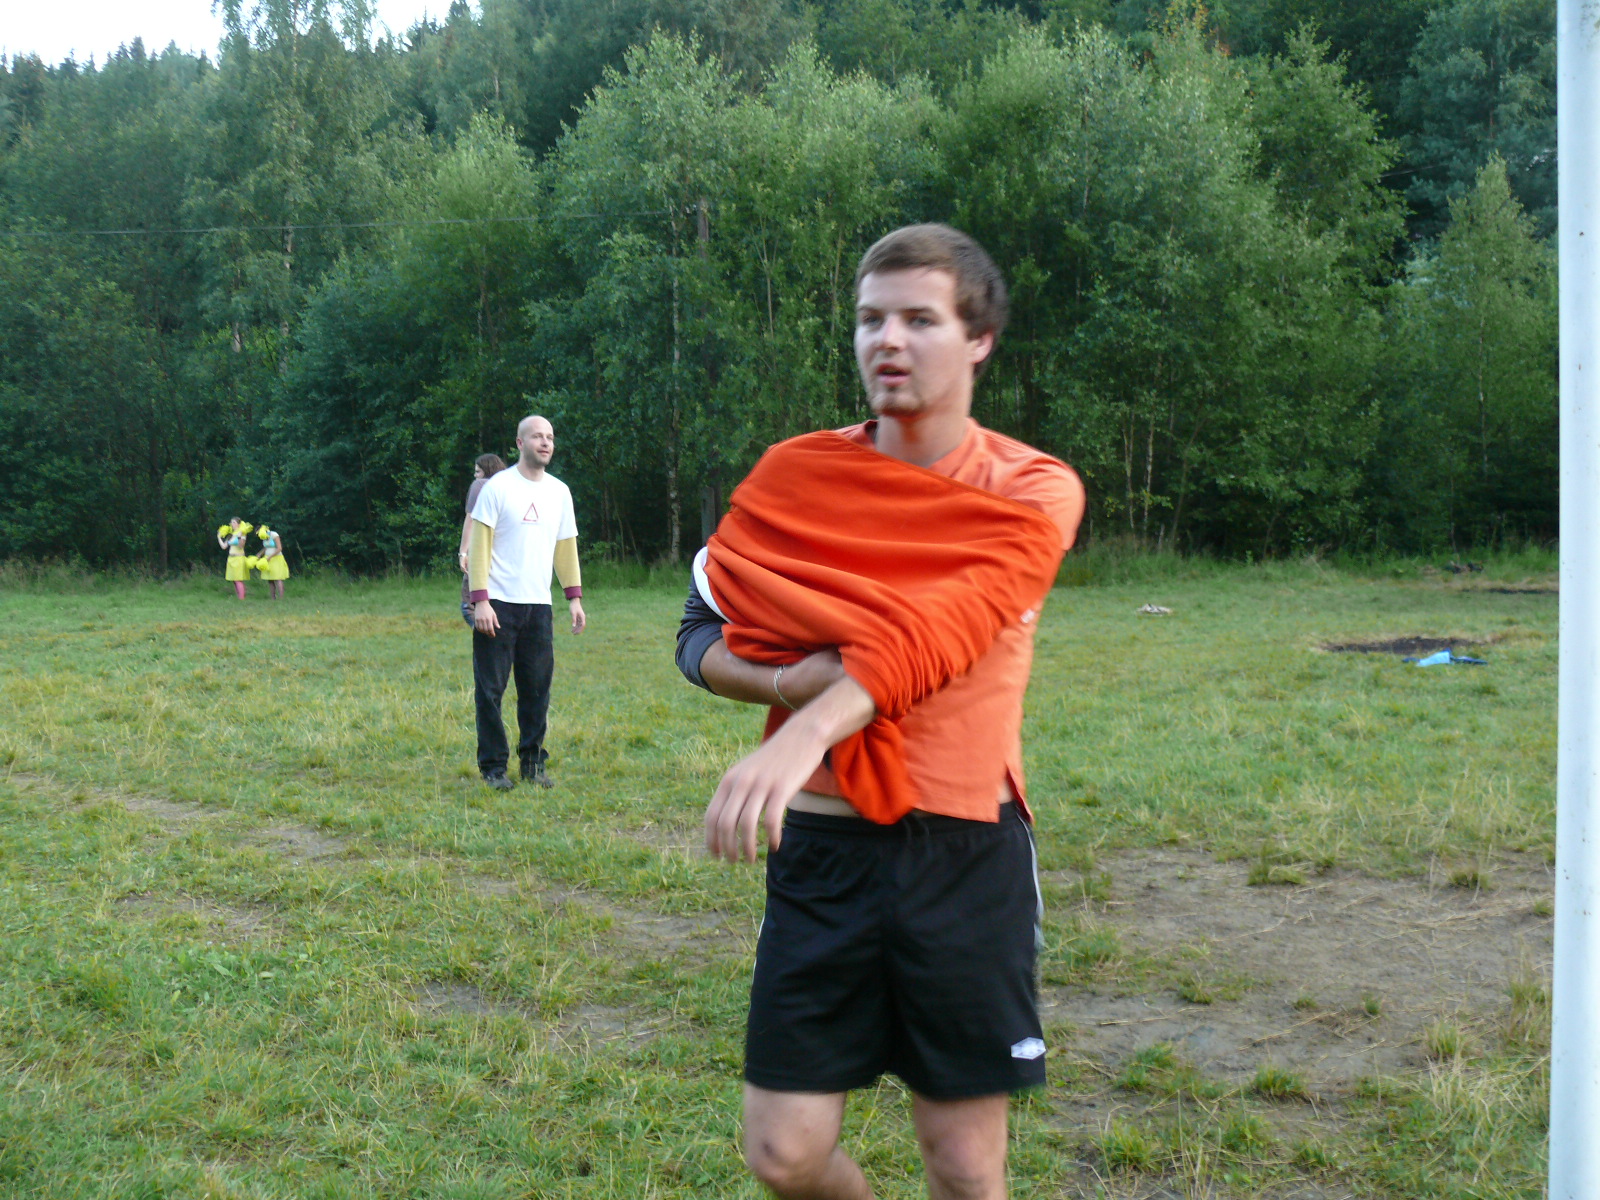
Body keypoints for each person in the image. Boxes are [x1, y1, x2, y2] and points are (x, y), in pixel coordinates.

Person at [675, 224, 1085, 1200]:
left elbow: (942, 632)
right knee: (783, 1153)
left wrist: (813, 731)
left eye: (918, 319)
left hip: (961, 851)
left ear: (978, 338)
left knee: (963, 1164)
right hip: (822, 853)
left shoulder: (1033, 490)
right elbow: (699, 633)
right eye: (869, 320)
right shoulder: (796, 477)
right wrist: (793, 686)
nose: (887, 340)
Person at [466, 416, 587, 790]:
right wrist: (480, 600)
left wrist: (574, 598)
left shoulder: (559, 492)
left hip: (539, 607)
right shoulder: (498, 488)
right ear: (520, 443)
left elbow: (565, 546)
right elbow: (479, 546)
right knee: (491, 691)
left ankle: (533, 764)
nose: (545, 442)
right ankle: (493, 768)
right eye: (537, 436)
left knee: (536, 690)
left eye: (550, 437)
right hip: (498, 604)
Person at [459, 453, 508, 626]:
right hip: (504, 556)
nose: (475, 476)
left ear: (487, 470)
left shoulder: (480, 485)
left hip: (481, 552)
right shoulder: (508, 486)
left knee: (468, 606)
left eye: (478, 471)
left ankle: (489, 636)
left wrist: (463, 553)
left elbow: (471, 519)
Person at [216, 518, 254, 600]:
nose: (232, 524)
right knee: (234, 579)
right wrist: (219, 537)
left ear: (238, 524)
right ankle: (239, 596)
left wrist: (239, 537)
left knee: (238, 579)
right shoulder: (231, 535)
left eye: (234, 522)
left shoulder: (242, 533)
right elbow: (224, 546)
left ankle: (242, 598)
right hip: (231, 558)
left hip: (238, 558)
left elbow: (241, 546)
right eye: (231, 522)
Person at [255, 524, 290, 600]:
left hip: (276, 558)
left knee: (278, 578)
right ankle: (273, 597)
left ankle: (281, 597)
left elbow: (279, 548)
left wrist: (270, 557)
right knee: (270, 579)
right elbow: (266, 547)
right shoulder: (264, 537)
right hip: (267, 559)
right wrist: (259, 554)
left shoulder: (274, 534)